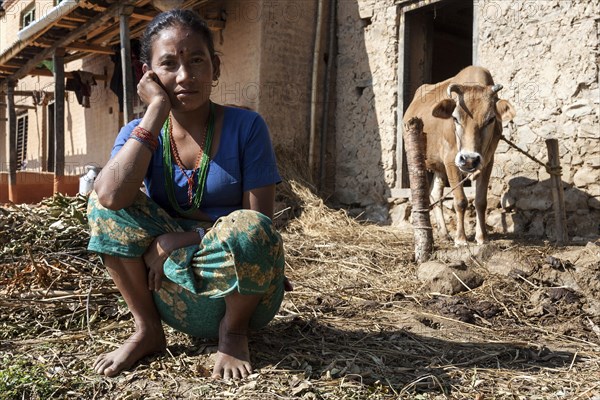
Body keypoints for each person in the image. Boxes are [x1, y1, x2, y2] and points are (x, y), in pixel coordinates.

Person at [87, 9, 289, 380]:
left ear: (215, 66)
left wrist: (182, 238)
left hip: (243, 289)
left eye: (197, 60)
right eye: (168, 64)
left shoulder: (248, 127)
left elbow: (259, 226)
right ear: (147, 75)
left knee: (248, 226)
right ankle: (147, 330)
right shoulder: (139, 131)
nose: (185, 76)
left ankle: (233, 334)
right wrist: (156, 111)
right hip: (170, 290)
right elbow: (110, 197)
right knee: (100, 205)